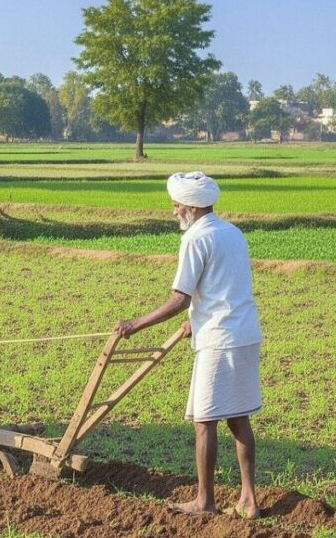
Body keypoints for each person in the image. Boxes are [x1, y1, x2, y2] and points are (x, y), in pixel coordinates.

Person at [113, 171, 263, 519]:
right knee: (239, 419)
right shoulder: (233, 232)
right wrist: (193, 322)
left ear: (191, 207)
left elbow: (179, 298)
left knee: (204, 421)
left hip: (219, 338)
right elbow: (222, 287)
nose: (174, 211)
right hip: (243, 332)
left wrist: (135, 324)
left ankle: (204, 501)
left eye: (176, 205)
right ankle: (248, 500)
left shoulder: (195, 239)